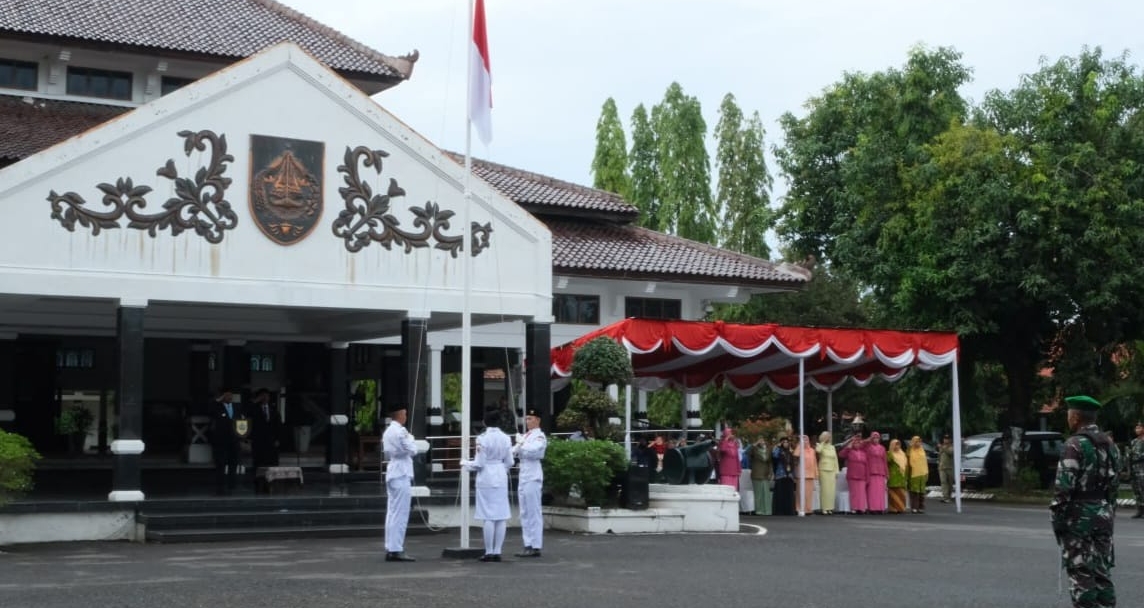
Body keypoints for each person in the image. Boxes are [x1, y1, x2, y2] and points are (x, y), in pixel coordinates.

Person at [1051, 395, 1119, 607]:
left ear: (1076, 417)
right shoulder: (1110, 445)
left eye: (1069, 415)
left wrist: (1058, 522)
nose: (1068, 419)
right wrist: (1108, 513)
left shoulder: (1074, 445)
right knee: (1102, 571)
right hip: (1103, 514)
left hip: (1078, 518)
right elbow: (1114, 487)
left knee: (1081, 573)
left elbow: (1063, 489)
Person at [462, 410, 515, 562]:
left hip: (486, 477)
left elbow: (479, 463)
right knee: (501, 516)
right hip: (500, 475)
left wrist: (465, 463)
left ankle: (489, 551)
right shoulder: (506, 438)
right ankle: (497, 551)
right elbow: (510, 462)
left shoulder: (482, 438)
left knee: (488, 516)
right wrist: (501, 469)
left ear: (485, 422)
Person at [382, 404, 418, 562]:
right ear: (400, 415)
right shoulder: (401, 431)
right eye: (404, 414)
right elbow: (413, 449)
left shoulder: (388, 431)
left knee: (392, 513)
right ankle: (396, 548)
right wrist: (411, 438)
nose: (406, 416)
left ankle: (391, 546)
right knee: (400, 513)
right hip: (401, 472)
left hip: (393, 471)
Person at [513, 408, 547, 558]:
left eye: (530, 418)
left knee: (533, 511)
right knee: (524, 512)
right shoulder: (526, 435)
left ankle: (536, 545)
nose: (527, 421)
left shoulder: (539, 436)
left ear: (538, 420)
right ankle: (527, 544)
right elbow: (514, 451)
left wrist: (522, 443)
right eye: (526, 419)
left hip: (533, 474)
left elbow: (534, 449)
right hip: (523, 474)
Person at [209, 389, 246, 496]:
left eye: (231, 395)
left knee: (233, 464)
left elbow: (241, 421)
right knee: (221, 464)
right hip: (221, 441)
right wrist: (219, 400)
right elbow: (210, 409)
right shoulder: (217, 407)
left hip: (234, 441)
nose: (230, 397)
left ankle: (232, 485)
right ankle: (221, 487)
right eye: (227, 395)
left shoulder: (237, 407)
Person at [248, 388, 281, 474]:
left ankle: (272, 477)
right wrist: (255, 401)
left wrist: (278, 439)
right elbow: (247, 413)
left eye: (267, 396)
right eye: (263, 396)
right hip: (258, 440)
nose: (265, 398)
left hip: (271, 440)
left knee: (272, 461)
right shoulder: (254, 409)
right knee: (259, 462)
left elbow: (278, 425)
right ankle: (258, 477)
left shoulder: (273, 409)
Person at [839, 435, 869, 514]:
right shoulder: (849, 451)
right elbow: (841, 454)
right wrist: (848, 446)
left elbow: (866, 465)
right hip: (852, 475)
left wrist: (867, 476)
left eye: (858, 443)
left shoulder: (864, 452)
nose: (857, 444)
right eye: (855, 443)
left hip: (862, 475)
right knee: (854, 492)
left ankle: (861, 508)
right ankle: (854, 508)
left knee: (861, 492)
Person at [792, 434, 818, 515]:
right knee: (801, 492)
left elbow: (814, 462)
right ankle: (799, 508)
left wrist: (816, 473)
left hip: (810, 474)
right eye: (804, 440)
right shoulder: (800, 449)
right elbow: (795, 454)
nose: (805, 441)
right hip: (802, 474)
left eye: (806, 440)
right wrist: (800, 444)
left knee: (809, 494)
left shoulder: (812, 450)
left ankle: (808, 509)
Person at [771, 436, 795, 516]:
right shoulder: (779, 451)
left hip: (789, 475)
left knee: (789, 494)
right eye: (784, 442)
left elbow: (792, 463)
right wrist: (778, 446)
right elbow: (774, 455)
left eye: (787, 442)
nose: (786, 444)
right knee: (780, 494)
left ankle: (789, 511)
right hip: (781, 474)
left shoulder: (790, 451)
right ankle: (779, 511)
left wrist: (793, 474)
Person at [864, 431, 888, 514]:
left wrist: (887, 473)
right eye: (874, 438)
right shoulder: (868, 447)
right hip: (871, 471)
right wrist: (868, 440)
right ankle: (873, 508)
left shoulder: (882, 448)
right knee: (872, 491)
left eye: (877, 438)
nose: (876, 439)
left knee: (880, 491)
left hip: (881, 472)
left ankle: (880, 508)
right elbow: (862, 444)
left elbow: (884, 461)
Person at [816, 431, 839, 515]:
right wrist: (822, 442)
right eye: (826, 437)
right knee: (825, 490)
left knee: (831, 490)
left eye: (829, 437)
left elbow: (835, 459)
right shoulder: (820, 445)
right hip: (824, 469)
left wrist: (837, 471)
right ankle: (824, 508)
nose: (828, 438)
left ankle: (830, 508)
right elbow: (818, 451)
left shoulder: (832, 447)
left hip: (832, 470)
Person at [750, 436, 773, 516]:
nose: (761, 441)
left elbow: (770, 462)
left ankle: (767, 510)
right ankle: (759, 510)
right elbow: (747, 453)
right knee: (758, 493)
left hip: (765, 473)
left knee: (766, 493)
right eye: (760, 440)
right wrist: (755, 444)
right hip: (757, 473)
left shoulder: (768, 449)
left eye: (763, 440)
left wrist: (771, 472)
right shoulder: (754, 449)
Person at [906, 436, 929, 513]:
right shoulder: (910, 450)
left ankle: (921, 507)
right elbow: (907, 462)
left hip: (922, 473)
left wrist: (926, 472)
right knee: (914, 491)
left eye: (919, 442)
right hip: (913, 474)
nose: (918, 443)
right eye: (916, 442)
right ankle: (914, 507)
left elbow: (925, 462)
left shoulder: (922, 450)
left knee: (922, 492)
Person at [886, 439, 909, 514]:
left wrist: (906, 476)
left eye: (898, 445)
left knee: (901, 493)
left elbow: (906, 465)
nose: (897, 446)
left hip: (901, 476)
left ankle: (901, 508)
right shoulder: (889, 453)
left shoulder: (903, 454)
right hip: (893, 476)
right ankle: (893, 509)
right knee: (893, 493)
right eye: (895, 445)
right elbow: (887, 462)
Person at [1130, 421, 1144, 519]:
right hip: (1134, 469)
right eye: (1136, 428)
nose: (1137, 430)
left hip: (1142, 468)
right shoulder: (1134, 441)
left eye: (1139, 428)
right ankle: (1140, 510)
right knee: (1136, 490)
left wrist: (1138, 456)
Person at [939, 434, 955, 503]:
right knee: (943, 482)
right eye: (945, 439)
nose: (945, 440)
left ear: (950, 440)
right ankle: (945, 497)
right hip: (942, 467)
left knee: (950, 483)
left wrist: (943, 448)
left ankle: (949, 496)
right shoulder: (942, 446)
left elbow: (950, 453)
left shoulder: (952, 446)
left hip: (950, 467)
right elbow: (940, 456)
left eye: (947, 439)